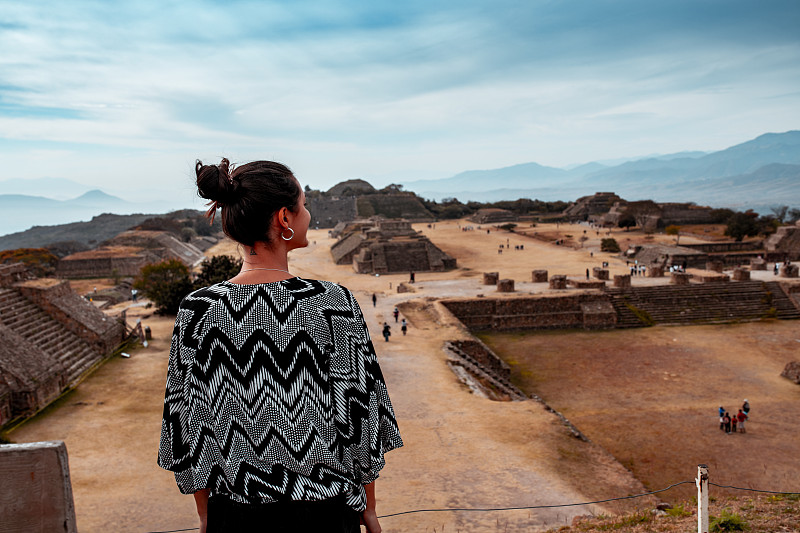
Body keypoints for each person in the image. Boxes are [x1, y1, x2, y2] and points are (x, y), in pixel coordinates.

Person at [158, 159, 403, 533]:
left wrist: (206, 514)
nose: (308, 213)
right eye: (303, 205)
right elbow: (361, 415)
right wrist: (368, 507)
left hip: (236, 513)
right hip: (324, 512)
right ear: (284, 218)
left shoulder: (199, 309)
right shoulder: (331, 302)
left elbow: (187, 423)